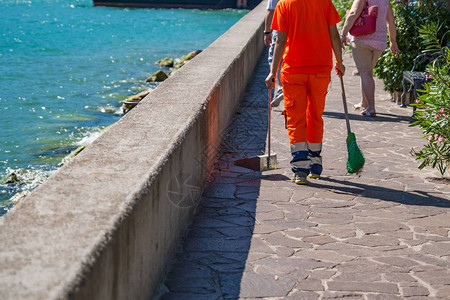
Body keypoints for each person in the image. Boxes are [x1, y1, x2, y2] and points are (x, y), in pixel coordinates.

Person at [265, 0, 345, 185]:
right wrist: (339, 62)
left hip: (294, 69)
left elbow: (281, 40)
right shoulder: (325, 3)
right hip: (320, 69)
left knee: (295, 117)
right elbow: (334, 36)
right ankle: (315, 165)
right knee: (315, 115)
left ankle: (300, 169)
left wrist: (272, 71)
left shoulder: (284, 4)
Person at [341, 0, 400, 116]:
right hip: (379, 42)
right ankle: (364, 103)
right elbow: (391, 22)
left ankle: (371, 108)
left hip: (361, 39)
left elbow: (353, 14)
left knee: (365, 73)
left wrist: (343, 34)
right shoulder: (385, 1)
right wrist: (393, 41)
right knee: (368, 73)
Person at [264, 0, 284, 107]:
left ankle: (281, 87)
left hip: (279, 27)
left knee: (275, 58)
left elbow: (270, 11)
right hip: (297, 27)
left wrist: (267, 32)